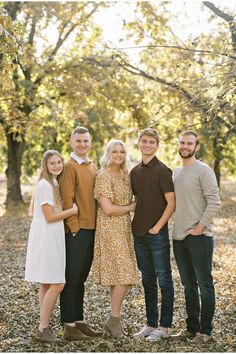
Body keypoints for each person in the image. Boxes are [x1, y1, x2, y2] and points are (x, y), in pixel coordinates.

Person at [25, 150, 78, 343]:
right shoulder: (45, 185)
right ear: (45, 166)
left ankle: (44, 325)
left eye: (58, 162)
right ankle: (43, 328)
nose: (56, 166)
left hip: (51, 236)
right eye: (52, 163)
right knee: (58, 283)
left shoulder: (53, 183)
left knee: (46, 283)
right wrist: (71, 211)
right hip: (46, 238)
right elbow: (49, 217)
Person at [172, 130, 220, 343]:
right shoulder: (175, 173)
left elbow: (214, 201)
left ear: (196, 147)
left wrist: (200, 227)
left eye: (189, 143)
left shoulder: (204, 170)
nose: (184, 146)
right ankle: (192, 328)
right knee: (188, 285)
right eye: (182, 142)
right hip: (179, 238)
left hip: (199, 237)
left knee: (204, 284)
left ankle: (205, 332)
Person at [130, 128, 175, 342]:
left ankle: (164, 327)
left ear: (157, 145)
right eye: (144, 141)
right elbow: (139, 201)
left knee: (164, 280)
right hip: (139, 235)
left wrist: (157, 227)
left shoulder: (163, 171)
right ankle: (150, 324)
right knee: (147, 280)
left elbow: (171, 204)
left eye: (152, 142)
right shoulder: (135, 171)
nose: (147, 145)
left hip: (157, 235)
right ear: (139, 143)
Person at [59, 126, 102, 341]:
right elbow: (67, 199)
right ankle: (68, 325)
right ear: (71, 142)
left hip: (92, 229)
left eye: (86, 140)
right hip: (77, 232)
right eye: (79, 141)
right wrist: (74, 228)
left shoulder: (92, 166)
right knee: (71, 278)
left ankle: (79, 320)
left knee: (81, 279)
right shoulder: (69, 167)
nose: (83, 144)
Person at [92, 139, 138, 337]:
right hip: (110, 228)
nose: (118, 155)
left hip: (125, 229)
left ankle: (114, 321)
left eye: (121, 151)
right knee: (126, 275)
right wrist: (131, 207)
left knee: (118, 275)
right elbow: (108, 209)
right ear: (108, 153)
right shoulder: (103, 175)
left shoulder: (126, 175)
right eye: (114, 151)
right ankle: (114, 320)